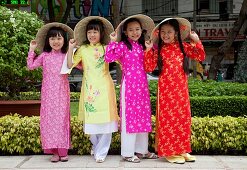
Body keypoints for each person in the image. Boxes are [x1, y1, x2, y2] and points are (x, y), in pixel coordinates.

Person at [144, 17, 206, 164]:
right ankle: (170, 152)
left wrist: (196, 40)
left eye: (169, 32)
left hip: (181, 90)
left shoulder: (183, 46)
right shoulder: (158, 49)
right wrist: (147, 50)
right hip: (166, 91)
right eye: (163, 32)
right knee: (168, 121)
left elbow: (200, 56)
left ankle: (182, 149)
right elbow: (149, 67)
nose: (166, 35)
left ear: (176, 33)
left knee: (183, 119)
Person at [105, 14, 157, 163]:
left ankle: (142, 150)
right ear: (125, 32)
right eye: (131, 30)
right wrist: (113, 42)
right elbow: (108, 58)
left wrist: (148, 51)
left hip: (142, 87)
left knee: (143, 117)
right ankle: (127, 153)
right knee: (130, 119)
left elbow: (149, 67)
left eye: (137, 29)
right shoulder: (122, 46)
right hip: (129, 87)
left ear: (142, 30)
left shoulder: (143, 46)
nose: (135, 32)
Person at [65, 16, 119, 163]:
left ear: (101, 33)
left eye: (95, 32)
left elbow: (115, 58)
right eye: (90, 32)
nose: (92, 35)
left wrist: (113, 42)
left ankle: (101, 152)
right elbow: (70, 65)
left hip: (105, 87)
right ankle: (96, 147)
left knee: (107, 122)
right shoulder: (82, 49)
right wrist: (71, 48)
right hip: (89, 89)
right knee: (91, 123)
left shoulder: (106, 48)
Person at [27, 23, 73, 162]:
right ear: (48, 41)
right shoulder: (45, 56)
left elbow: (76, 65)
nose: (56, 41)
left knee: (62, 120)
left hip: (62, 93)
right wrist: (31, 50)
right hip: (48, 94)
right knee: (50, 121)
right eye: (52, 39)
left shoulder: (66, 55)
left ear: (64, 40)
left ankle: (63, 150)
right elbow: (30, 66)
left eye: (59, 38)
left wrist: (72, 48)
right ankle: (54, 152)